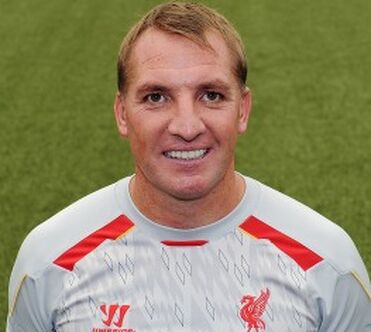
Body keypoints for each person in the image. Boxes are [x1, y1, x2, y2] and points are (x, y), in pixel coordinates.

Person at [7, 2, 370, 331]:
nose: (186, 126)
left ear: (242, 110)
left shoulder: (326, 264)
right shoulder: (50, 264)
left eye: (211, 95)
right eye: (156, 97)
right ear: (121, 114)